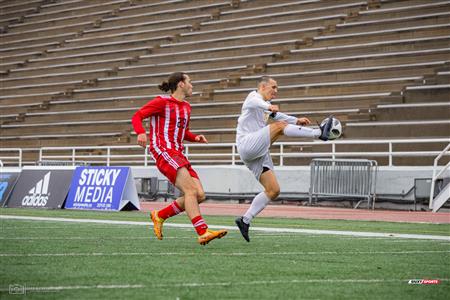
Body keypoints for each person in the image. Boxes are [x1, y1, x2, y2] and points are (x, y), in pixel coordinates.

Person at [132, 72, 227, 245]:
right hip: (163, 150)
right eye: (190, 82)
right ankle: (202, 231)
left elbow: (182, 132)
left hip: (178, 153)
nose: (192, 85)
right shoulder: (162, 102)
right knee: (190, 191)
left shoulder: (187, 107)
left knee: (199, 194)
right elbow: (137, 116)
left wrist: (194, 137)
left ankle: (159, 215)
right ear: (181, 84)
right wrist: (140, 132)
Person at [234, 76, 333, 242]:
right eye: (274, 87)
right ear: (263, 86)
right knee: (279, 128)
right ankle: (318, 133)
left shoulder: (264, 105)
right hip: (247, 144)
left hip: (257, 151)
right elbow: (260, 105)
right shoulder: (253, 97)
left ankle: (245, 220)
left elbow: (278, 115)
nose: (276, 91)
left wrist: (296, 120)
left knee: (273, 190)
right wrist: (269, 106)